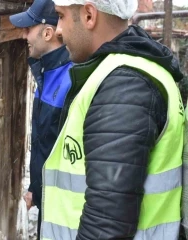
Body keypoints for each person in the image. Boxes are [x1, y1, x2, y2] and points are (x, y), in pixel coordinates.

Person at [41, 0, 185, 239]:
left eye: (61, 16)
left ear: (89, 15)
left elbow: (106, 225)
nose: (57, 29)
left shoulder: (125, 85)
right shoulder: (130, 72)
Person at [9, 0, 73, 238]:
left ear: (48, 33)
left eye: (28, 29)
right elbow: (47, 146)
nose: (24, 35)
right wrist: (35, 189)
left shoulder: (72, 80)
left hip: (67, 212)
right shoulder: (46, 74)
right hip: (50, 204)